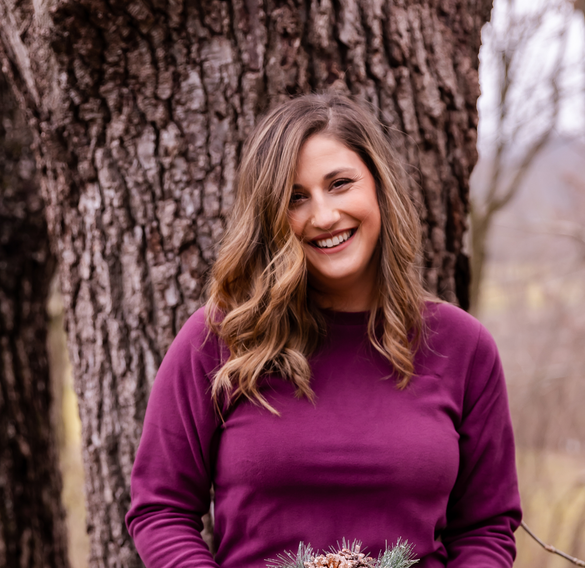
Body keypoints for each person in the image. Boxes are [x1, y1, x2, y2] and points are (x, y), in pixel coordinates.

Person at [125, 93, 521, 568]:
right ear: (269, 217)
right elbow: (161, 509)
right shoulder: (220, 339)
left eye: (340, 184)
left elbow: (486, 527)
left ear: (379, 188)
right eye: (296, 198)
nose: (324, 216)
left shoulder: (463, 347)